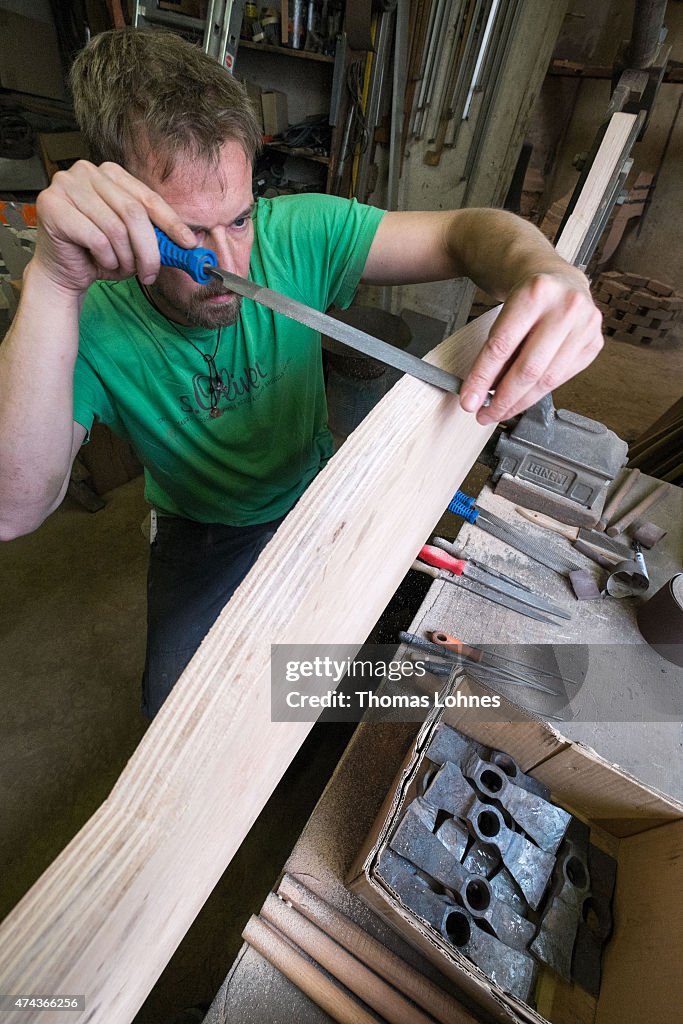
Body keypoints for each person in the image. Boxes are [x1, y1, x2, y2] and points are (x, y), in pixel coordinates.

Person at [0, 29, 603, 716]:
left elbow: (467, 232)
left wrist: (546, 271)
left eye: (239, 218)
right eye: (189, 234)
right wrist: (51, 280)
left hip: (317, 483)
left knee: (386, 667)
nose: (229, 263)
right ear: (121, 213)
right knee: (177, 708)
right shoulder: (78, 317)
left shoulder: (300, 230)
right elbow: (12, 509)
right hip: (206, 527)